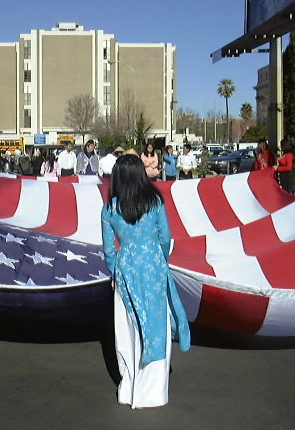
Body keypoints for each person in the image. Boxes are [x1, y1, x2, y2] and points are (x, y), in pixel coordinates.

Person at [101, 154, 190, 409]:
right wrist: (159, 260)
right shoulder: (155, 201)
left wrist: (115, 272)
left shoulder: (110, 208)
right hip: (153, 267)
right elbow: (165, 237)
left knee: (128, 328)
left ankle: (129, 388)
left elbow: (109, 250)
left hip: (125, 269)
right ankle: (152, 392)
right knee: (155, 325)